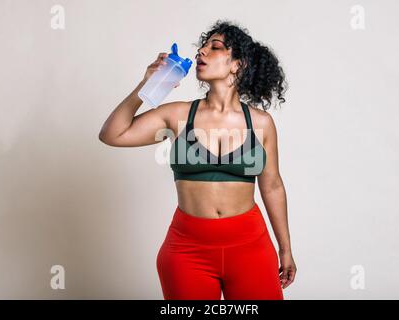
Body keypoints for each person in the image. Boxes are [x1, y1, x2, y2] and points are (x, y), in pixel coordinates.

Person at [98, 20, 296, 300]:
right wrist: (147, 84)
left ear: (237, 64)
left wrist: (285, 248)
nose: (201, 51)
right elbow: (112, 134)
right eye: (202, 46)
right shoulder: (177, 115)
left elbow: (272, 186)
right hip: (188, 251)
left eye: (214, 47)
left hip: (250, 246)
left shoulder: (261, 122)